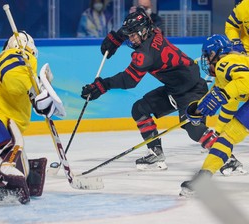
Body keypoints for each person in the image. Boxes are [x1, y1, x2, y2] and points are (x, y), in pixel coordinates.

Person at [81, 8, 225, 171]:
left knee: (193, 129)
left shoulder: (145, 54)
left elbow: (128, 80)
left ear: (143, 31)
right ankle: (156, 153)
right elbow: (137, 20)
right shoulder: (154, 31)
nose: (131, 38)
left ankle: (227, 159)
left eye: (133, 34)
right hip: (175, 88)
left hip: (191, 90)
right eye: (129, 35)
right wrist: (117, 37)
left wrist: (102, 86)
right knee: (139, 109)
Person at [0, 31, 62, 205]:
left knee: (26, 171)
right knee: (9, 159)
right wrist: (34, 89)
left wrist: (36, 93)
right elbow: (14, 81)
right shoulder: (16, 55)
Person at [180, 34, 249, 196]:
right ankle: (204, 176)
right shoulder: (226, 69)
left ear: (213, 54)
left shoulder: (224, 63)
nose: (207, 61)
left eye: (207, 56)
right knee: (227, 137)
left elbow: (246, 81)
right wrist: (196, 110)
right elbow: (215, 93)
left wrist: (224, 94)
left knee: (228, 137)